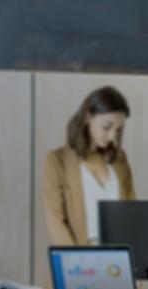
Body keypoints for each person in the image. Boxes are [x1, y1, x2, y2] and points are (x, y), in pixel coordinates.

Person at [43, 86, 135, 246]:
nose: (113, 136)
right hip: (78, 260)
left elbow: (132, 213)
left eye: (118, 130)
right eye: (107, 127)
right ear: (88, 117)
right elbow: (55, 219)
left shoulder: (120, 160)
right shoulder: (57, 161)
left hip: (118, 259)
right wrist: (74, 261)